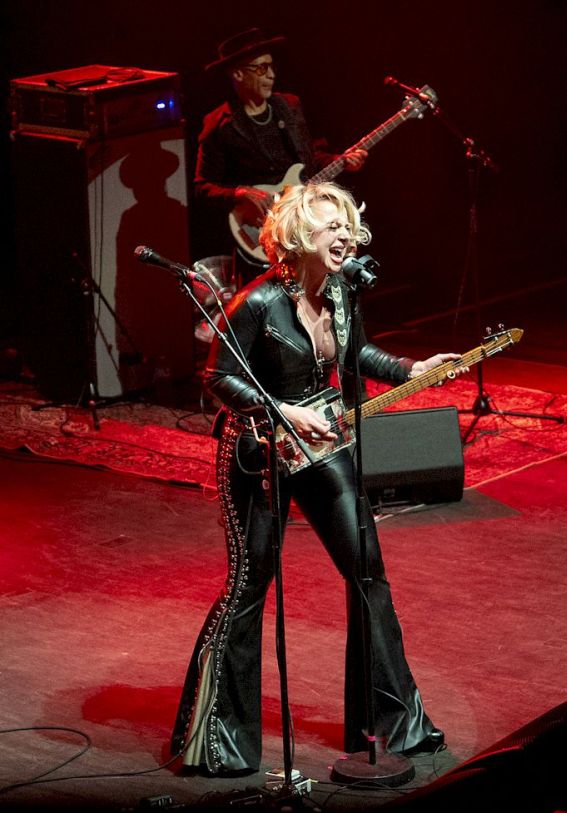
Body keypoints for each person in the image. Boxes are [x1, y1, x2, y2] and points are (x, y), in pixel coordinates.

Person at [170, 181, 465, 777]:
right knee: (249, 586)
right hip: (258, 453)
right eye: (332, 227)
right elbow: (218, 379)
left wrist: (410, 367)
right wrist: (279, 411)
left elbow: (358, 355)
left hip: (322, 445)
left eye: (349, 227)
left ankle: (392, 726)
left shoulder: (342, 293)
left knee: (368, 571)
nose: (345, 237)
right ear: (299, 236)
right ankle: (219, 738)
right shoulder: (256, 303)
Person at [192, 27, 367, 283]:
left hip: (306, 221)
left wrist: (340, 161)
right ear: (238, 73)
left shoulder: (289, 106)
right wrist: (240, 193)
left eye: (271, 66)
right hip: (262, 232)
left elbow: (310, 158)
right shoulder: (219, 125)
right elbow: (202, 186)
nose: (271, 75)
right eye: (261, 68)